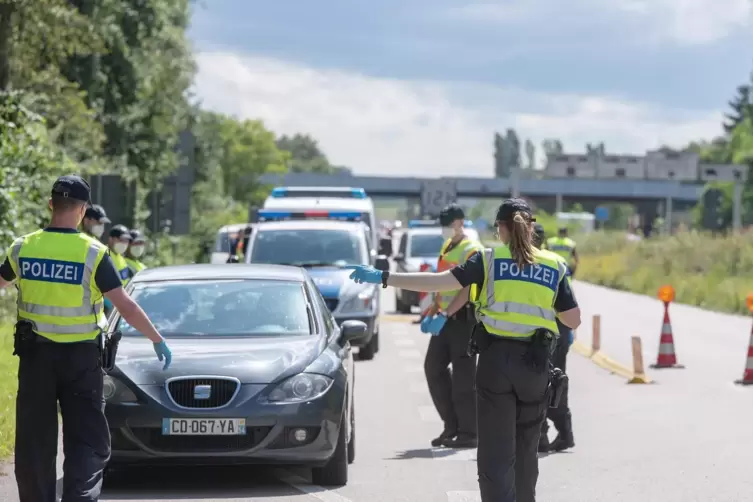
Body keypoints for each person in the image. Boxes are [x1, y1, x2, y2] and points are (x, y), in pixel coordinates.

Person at [349, 198, 581, 502]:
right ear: (530, 226)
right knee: (527, 448)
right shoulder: (553, 264)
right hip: (535, 366)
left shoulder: (488, 259)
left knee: (497, 453)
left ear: (501, 228)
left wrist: (384, 277)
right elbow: (572, 318)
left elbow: (440, 283)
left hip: (496, 363)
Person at [0, 175, 173, 502]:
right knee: (86, 442)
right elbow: (125, 304)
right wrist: (156, 338)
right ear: (82, 210)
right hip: (81, 362)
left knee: (34, 443)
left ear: (51, 204)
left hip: (35, 359)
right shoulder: (92, 253)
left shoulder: (22, 247)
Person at [422, 203, 484, 448]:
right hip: (446, 318)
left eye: (448, 224)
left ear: (460, 223)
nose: (444, 229)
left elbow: (468, 289)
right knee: (433, 368)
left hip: (464, 320)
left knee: (464, 379)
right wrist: (433, 310)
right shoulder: (448, 246)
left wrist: (446, 313)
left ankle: (470, 432)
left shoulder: (472, 249)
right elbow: (442, 283)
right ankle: (452, 425)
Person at [533, 224, 575, 453]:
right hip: (561, 329)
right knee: (555, 383)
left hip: (547, 332)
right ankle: (564, 433)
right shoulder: (557, 261)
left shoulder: (533, 263)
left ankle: (541, 436)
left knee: (539, 384)